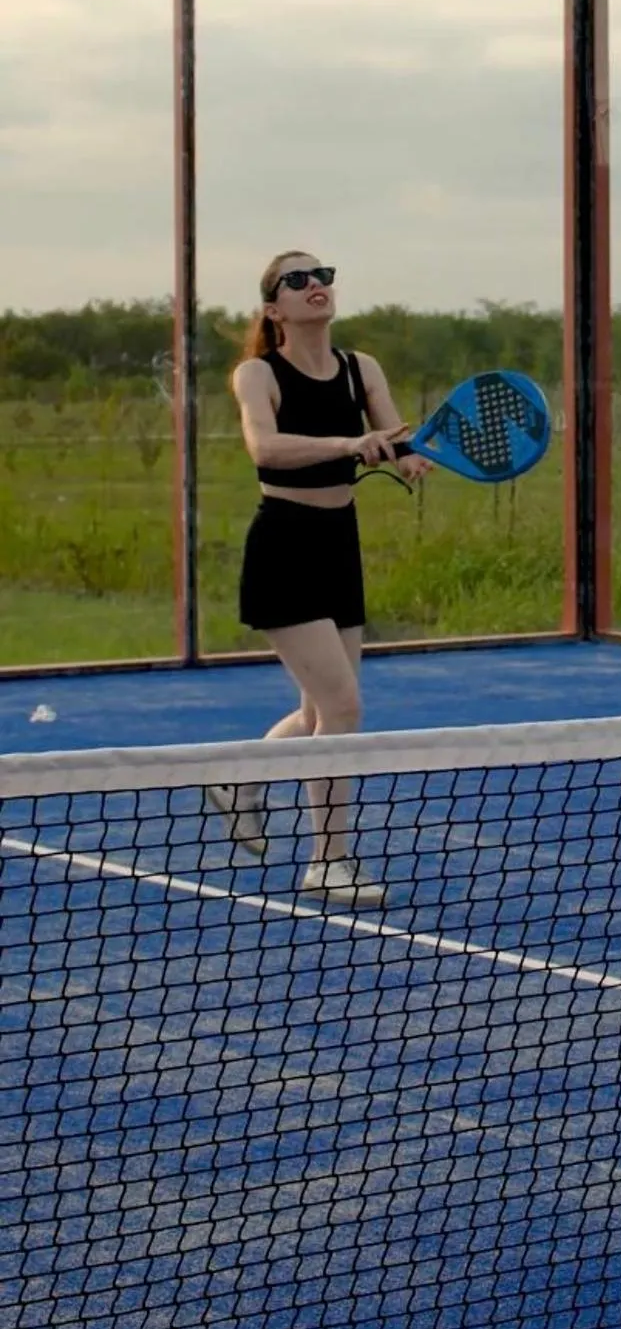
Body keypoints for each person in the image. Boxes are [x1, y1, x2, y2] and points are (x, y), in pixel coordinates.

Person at [206, 249, 426, 904]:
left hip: (339, 544)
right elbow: (265, 448)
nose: (315, 286)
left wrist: (407, 457)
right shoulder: (257, 374)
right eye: (296, 280)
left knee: (316, 711)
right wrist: (347, 445)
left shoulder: (362, 368)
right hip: (284, 546)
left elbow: (393, 437)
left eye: (322, 275)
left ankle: (238, 777)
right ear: (274, 308)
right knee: (342, 706)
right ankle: (329, 861)